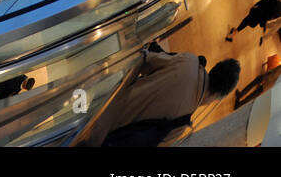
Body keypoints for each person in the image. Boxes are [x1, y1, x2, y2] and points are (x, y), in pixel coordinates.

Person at [76, 51, 240, 147]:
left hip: (97, 103)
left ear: (215, 70)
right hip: (95, 141)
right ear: (217, 97)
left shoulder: (188, 62)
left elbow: (145, 59)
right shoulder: (179, 127)